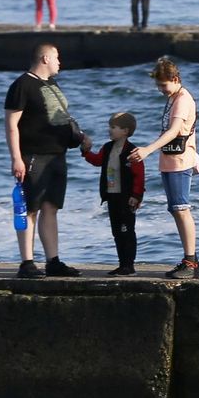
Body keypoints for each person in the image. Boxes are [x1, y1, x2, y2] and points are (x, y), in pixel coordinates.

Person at [3, 42, 81, 278]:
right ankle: (27, 262)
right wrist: (16, 158)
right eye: (57, 57)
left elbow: (61, 118)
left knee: (51, 208)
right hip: (33, 156)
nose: (60, 62)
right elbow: (11, 126)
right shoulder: (22, 85)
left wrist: (80, 136)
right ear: (45, 58)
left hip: (57, 155)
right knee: (30, 209)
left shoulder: (52, 84)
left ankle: (53, 261)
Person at [129, 58, 199, 279]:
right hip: (170, 160)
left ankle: (190, 261)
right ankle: (191, 260)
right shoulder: (173, 98)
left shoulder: (182, 99)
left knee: (182, 208)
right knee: (176, 208)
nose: (161, 90)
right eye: (158, 86)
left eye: (164, 85)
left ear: (175, 79)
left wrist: (148, 150)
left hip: (180, 161)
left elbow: (173, 132)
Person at [79, 112, 145, 276]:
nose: (110, 130)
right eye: (110, 126)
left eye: (113, 127)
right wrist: (86, 152)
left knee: (127, 231)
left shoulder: (132, 151)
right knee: (117, 232)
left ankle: (129, 265)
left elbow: (139, 176)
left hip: (127, 198)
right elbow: (98, 161)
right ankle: (122, 264)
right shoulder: (108, 147)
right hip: (112, 196)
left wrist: (136, 196)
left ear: (125, 131)